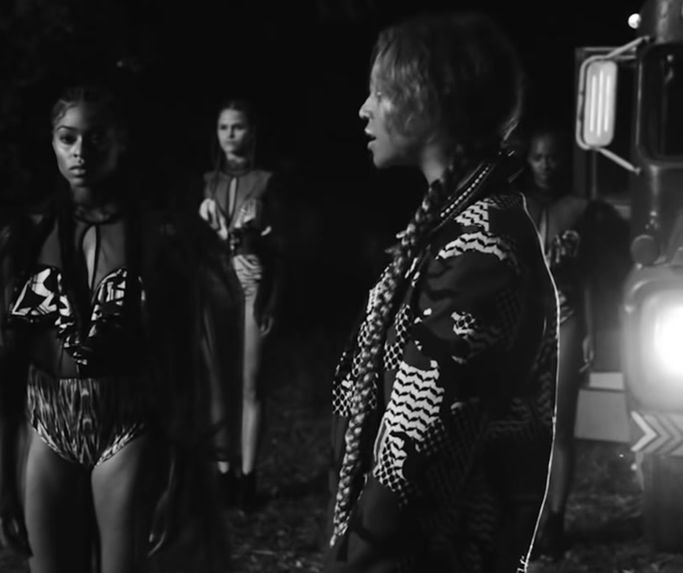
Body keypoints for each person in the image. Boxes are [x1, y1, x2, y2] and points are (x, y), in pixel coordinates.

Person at [0, 84, 238, 573]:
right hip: (48, 420)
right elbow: (2, 366)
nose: (80, 152)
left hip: (127, 419)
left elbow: (184, 366)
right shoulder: (25, 236)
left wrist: (178, 478)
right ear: (51, 142)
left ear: (120, 140)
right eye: (67, 138)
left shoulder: (156, 237)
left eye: (95, 139)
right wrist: (3, 487)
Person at [324, 11, 557, 572]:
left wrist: (352, 559)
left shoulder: (480, 248)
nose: (364, 109)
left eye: (380, 92)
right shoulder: (457, 224)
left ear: (428, 100)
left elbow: (414, 448)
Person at [517, 125, 601, 558]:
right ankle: (524, 518)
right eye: (538, 157)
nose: (546, 165)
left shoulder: (582, 210)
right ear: (527, 160)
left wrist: (590, 330)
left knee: (560, 426)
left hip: (567, 322)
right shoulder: (515, 208)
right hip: (523, 326)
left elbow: (589, 276)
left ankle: (556, 521)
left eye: (552, 157)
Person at [197, 98, 284, 510]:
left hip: (253, 284)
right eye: (224, 127)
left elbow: (282, 245)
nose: (231, 134)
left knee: (250, 384)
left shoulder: (267, 181)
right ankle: (223, 473)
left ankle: (248, 478)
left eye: (238, 126)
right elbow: (193, 245)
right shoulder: (206, 183)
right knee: (218, 385)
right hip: (215, 286)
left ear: (252, 131)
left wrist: (272, 295)